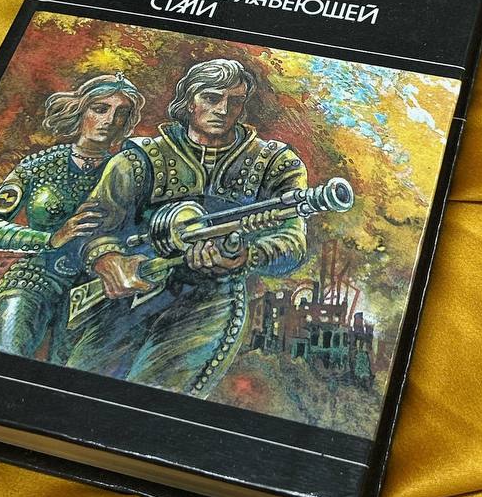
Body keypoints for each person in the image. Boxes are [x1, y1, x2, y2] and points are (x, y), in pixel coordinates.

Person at [67, 57, 308, 397]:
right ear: (189, 100)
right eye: (211, 98)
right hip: (128, 294)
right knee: (76, 384)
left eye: (235, 101)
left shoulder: (274, 163)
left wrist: (247, 255)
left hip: (209, 301)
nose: (223, 110)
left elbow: (292, 242)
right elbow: (90, 226)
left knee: (155, 396)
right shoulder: (140, 158)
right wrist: (107, 259)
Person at [0, 73, 144, 360]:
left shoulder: (130, 171)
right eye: (100, 109)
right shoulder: (38, 167)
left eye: (121, 113)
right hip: (34, 281)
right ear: (81, 110)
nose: (110, 120)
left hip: (98, 292)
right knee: (1, 359)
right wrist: (51, 238)